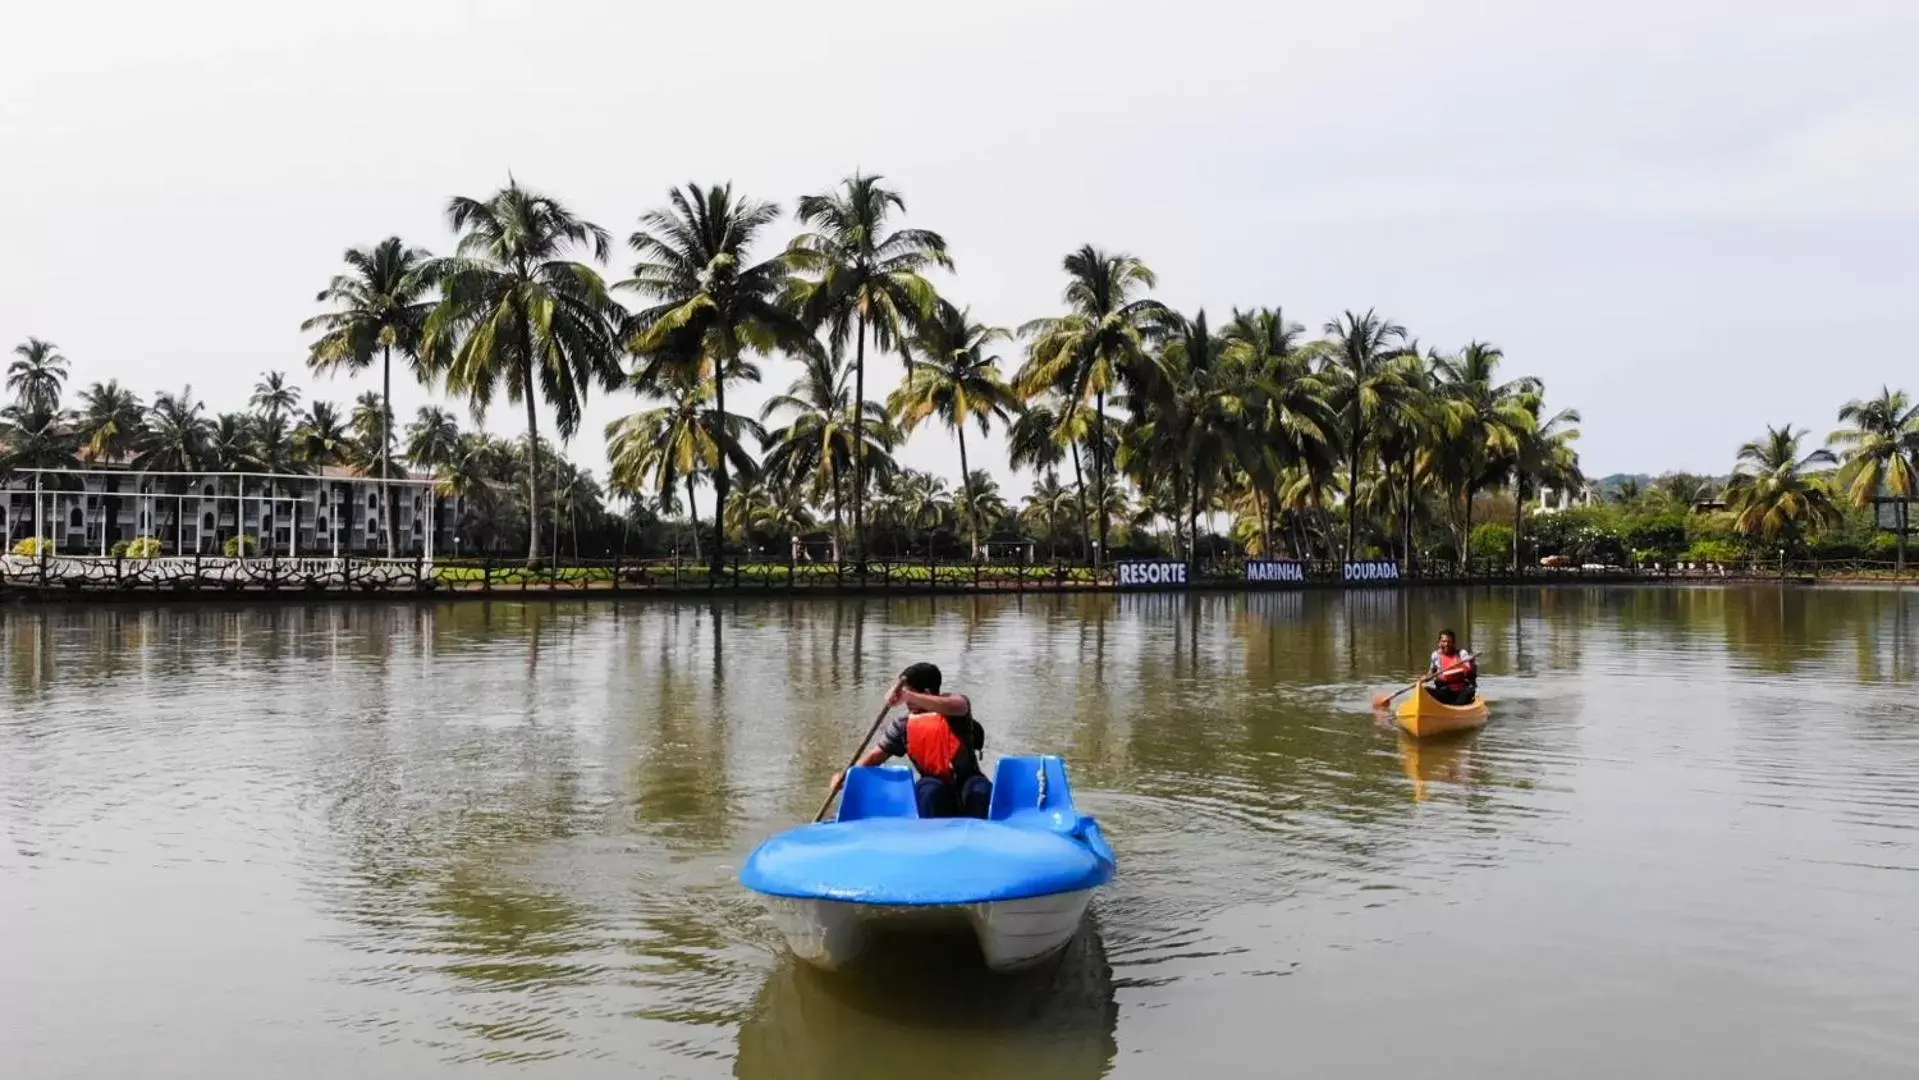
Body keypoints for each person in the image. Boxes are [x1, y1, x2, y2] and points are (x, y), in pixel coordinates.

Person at [831, 663, 992, 819]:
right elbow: (875, 757)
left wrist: (909, 695)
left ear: (927, 692)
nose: (906, 701)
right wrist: (846, 778)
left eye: (908, 694)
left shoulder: (955, 709)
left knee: (979, 790)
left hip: (968, 779)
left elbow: (959, 706)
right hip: (933, 782)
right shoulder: (903, 724)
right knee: (929, 793)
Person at [1427, 629, 1478, 705]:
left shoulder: (1462, 653)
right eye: (1444, 641)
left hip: (1462, 690)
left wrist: (1468, 665)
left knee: (1464, 696)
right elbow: (1431, 672)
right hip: (1444, 691)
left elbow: (1469, 669)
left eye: (1449, 642)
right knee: (1426, 690)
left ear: (1453, 643)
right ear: (1439, 643)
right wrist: (1425, 678)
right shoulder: (1435, 655)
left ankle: (1458, 707)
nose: (1446, 644)